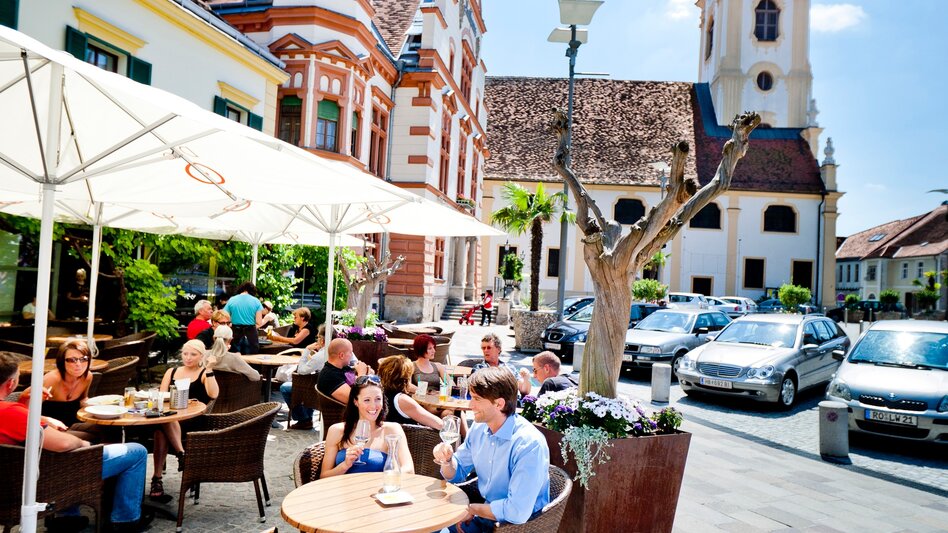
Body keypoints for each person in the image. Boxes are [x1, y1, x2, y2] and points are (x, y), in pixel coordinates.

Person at [0, 352, 152, 532]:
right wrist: (85, 446)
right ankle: (125, 521)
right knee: (137, 451)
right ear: (11, 383)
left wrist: (27, 405)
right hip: (41, 478)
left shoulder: (12, 412)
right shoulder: (10, 412)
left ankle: (68, 516)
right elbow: (63, 444)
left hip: (11, 477)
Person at [433, 367, 550, 532]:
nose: (470, 405)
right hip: (484, 517)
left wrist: (472, 509)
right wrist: (446, 460)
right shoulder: (479, 429)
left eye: (476, 399)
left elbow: (517, 512)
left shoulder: (529, 444)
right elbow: (457, 472)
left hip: (517, 527)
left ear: (499, 404)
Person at [148, 339, 220, 502]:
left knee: (162, 428)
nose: (188, 358)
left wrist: (209, 369)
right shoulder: (172, 372)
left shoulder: (202, 373)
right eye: (185, 354)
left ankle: (156, 480)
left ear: (201, 356)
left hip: (193, 421)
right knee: (161, 428)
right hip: (170, 418)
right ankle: (181, 455)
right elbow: (162, 395)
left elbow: (214, 394)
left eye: (193, 354)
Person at [320, 375, 414, 478]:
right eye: (367, 400)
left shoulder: (391, 430)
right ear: (356, 401)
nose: (373, 406)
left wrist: (387, 478)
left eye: (378, 399)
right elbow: (323, 476)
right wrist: (345, 465)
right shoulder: (337, 431)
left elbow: (409, 470)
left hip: (377, 491)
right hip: (343, 491)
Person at [377, 356, 445, 429]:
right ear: (406, 377)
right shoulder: (402, 400)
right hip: (409, 438)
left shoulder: (378, 393)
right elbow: (439, 424)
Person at [280, 324, 327, 430]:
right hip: (326, 387)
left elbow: (301, 371)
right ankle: (307, 418)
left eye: (318, 337)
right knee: (308, 384)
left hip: (317, 389)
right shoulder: (341, 349)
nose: (317, 340)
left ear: (322, 340)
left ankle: (303, 419)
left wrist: (306, 350)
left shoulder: (320, 356)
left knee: (285, 387)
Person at [317, 338, 370, 404]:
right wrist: (362, 373)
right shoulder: (330, 376)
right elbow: (356, 400)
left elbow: (354, 383)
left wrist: (368, 376)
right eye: (351, 353)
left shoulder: (342, 368)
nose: (351, 356)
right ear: (341, 355)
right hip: (345, 413)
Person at [223, 281, 265, 354]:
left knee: (234, 357)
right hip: (251, 332)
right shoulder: (256, 301)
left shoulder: (232, 299)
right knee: (251, 358)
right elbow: (259, 322)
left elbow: (224, 315)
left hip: (234, 332)